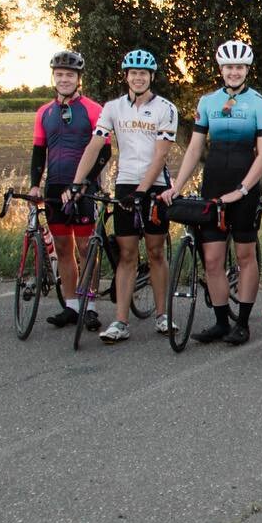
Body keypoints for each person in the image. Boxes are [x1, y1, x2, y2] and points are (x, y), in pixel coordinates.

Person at [162, 41, 262, 345]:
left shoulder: (260, 103)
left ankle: (243, 323)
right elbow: (195, 147)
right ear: (221, 69)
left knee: (244, 255)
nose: (234, 72)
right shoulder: (208, 102)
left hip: (245, 188)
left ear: (247, 69)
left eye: (239, 67)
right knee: (212, 259)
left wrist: (242, 190)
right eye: (229, 67)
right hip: (213, 185)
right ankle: (221, 322)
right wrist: (178, 185)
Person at [67, 49, 176, 343]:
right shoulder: (113, 107)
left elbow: (160, 155)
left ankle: (162, 315)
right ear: (126, 76)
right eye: (133, 73)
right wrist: (78, 182)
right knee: (126, 253)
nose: (138, 78)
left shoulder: (166, 108)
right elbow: (95, 144)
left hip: (153, 186)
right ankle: (120, 321)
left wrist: (143, 192)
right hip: (126, 183)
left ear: (151, 77)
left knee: (155, 251)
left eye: (143, 73)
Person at [29, 50, 111, 329]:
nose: (64, 79)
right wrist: (33, 185)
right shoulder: (44, 112)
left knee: (87, 246)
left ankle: (90, 305)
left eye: (70, 75)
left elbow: (104, 153)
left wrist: (85, 183)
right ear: (53, 77)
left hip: (85, 188)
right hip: (55, 186)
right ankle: (72, 305)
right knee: (63, 247)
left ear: (78, 79)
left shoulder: (93, 109)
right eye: (60, 74)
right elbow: (39, 153)